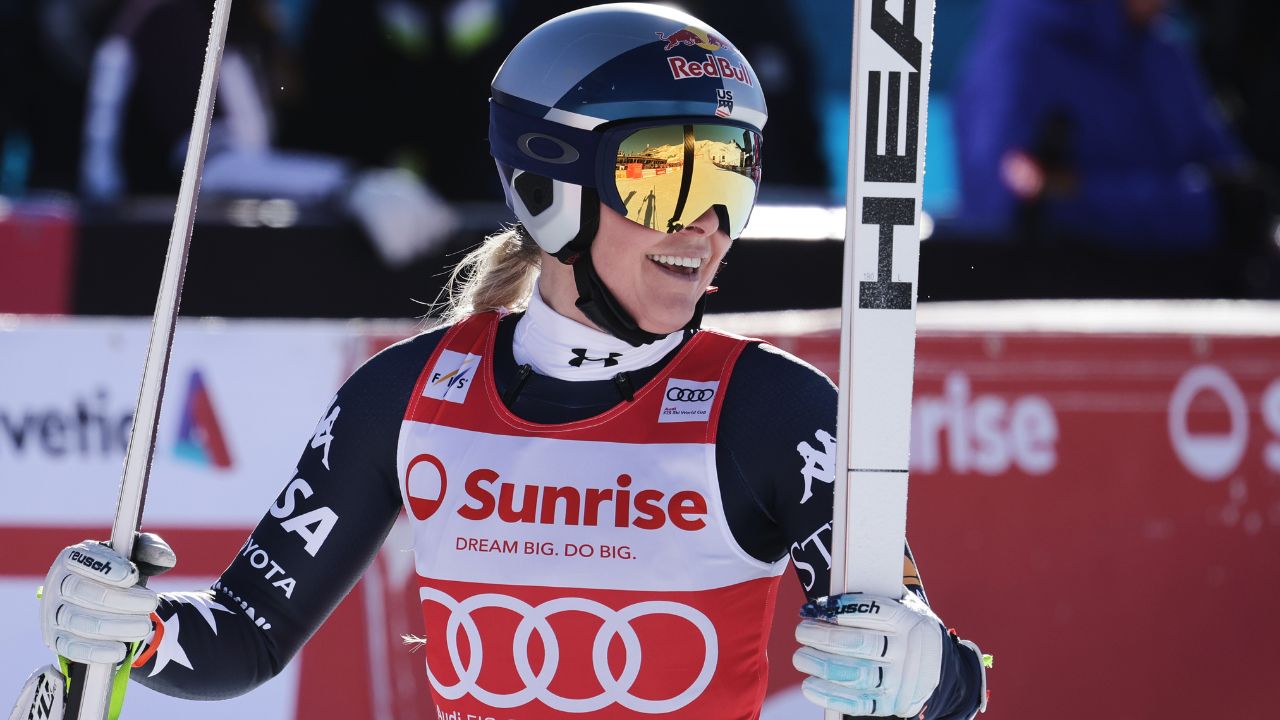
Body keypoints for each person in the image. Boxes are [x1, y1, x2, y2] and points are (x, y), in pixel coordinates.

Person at [20, 5, 988, 719]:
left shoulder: (771, 412)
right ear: (550, 187)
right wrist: (132, 629)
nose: (703, 223)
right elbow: (245, 635)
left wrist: (926, 671)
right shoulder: (409, 396)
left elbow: (928, 660)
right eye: (662, 175)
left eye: (730, 178)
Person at [953, 0, 1267, 251]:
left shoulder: (1165, 54)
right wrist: (1196, 209)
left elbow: (1238, 194)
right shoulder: (1017, 56)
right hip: (1059, 301)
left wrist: (1075, 192)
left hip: (1182, 295)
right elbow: (1002, 211)